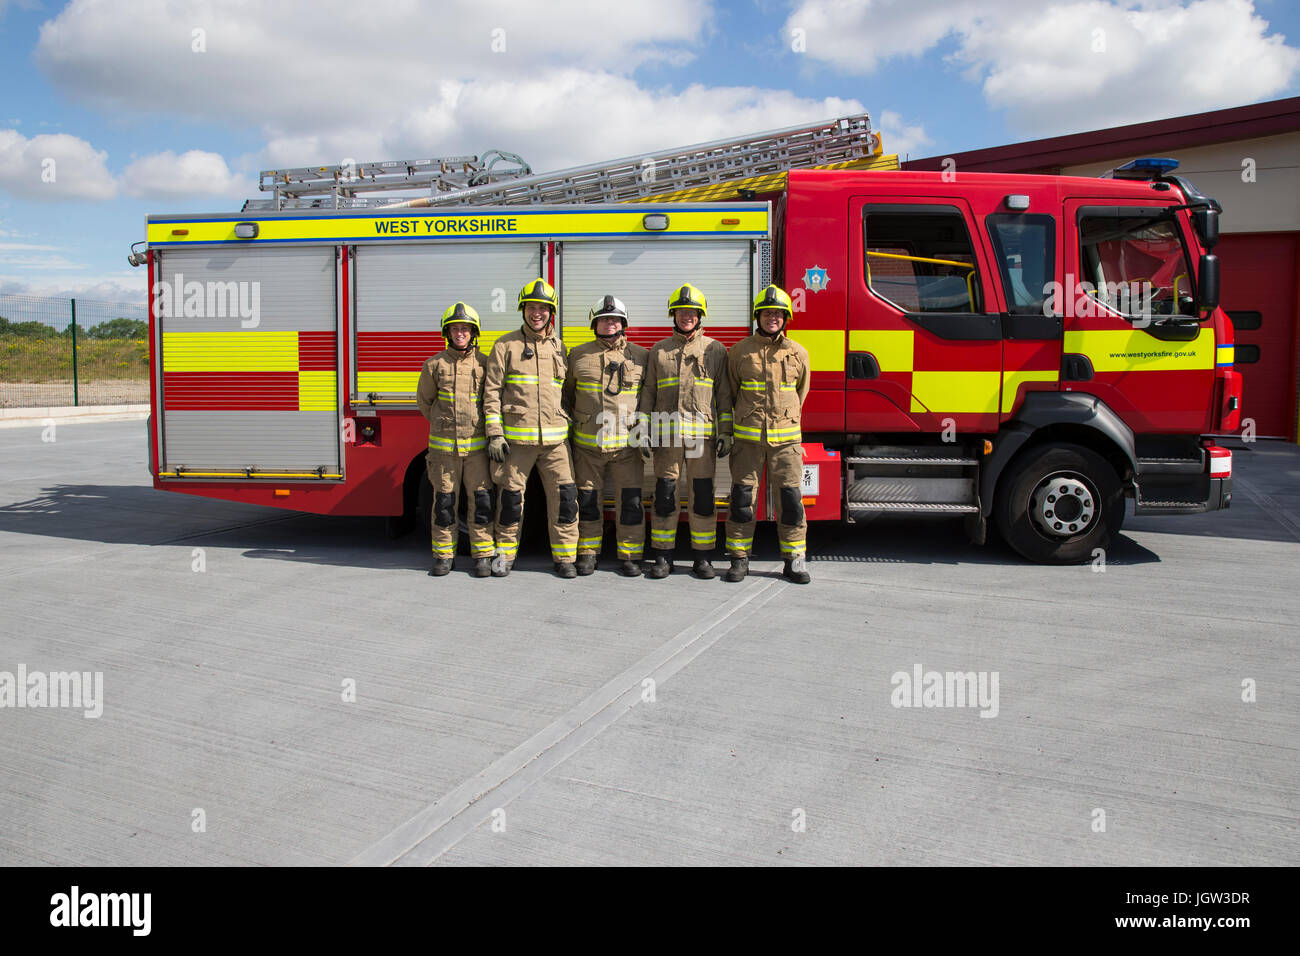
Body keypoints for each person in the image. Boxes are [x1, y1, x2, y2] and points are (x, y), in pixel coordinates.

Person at [482, 278, 580, 578]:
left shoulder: (560, 348)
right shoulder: (505, 345)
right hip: (516, 443)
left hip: (555, 442)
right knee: (510, 501)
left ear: (551, 312)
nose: (537, 313)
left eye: (543, 308)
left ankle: (565, 559)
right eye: (531, 307)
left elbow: (570, 393)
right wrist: (495, 434)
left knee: (565, 500)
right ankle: (504, 556)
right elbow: (491, 393)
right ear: (523, 310)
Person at [637, 283, 733, 579]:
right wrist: (643, 427)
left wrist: (726, 431)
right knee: (665, 496)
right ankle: (663, 558)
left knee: (702, 497)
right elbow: (649, 392)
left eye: (692, 312)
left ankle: (702, 558)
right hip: (667, 437)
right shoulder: (659, 350)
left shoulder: (715, 350)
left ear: (700, 315)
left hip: (701, 437)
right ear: (673, 315)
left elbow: (724, 395)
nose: (686, 316)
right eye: (681, 312)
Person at [724, 285, 812, 584]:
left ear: (785, 317)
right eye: (767, 313)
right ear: (757, 316)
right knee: (742, 500)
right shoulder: (739, 351)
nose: (772, 318)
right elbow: (731, 393)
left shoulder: (798, 352)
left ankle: (794, 560)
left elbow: (801, 392)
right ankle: (738, 559)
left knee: (791, 501)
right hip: (748, 441)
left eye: (777, 314)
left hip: (786, 442)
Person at [563, 295, 650, 577]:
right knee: (587, 502)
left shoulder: (640, 356)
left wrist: (644, 429)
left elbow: (648, 397)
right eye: (603, 319)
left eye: (614, 319)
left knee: (631, 503)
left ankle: (630, 555)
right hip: (588, 446)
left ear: (623, 323)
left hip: (627, 446)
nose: (609, 323)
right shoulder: (577, 354)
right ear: (594, 324)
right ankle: (588, 553)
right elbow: (566, 397)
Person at [415, 302, 495, 577]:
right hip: (444, 452)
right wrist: (444, 426)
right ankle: (443, 556)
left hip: (477, 451)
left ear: (474, 333)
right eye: (454, 329)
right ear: (446, 333)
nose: (460, 333)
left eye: (465, 329)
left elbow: (492, 401)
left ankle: (483, 555)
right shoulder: (434, 365)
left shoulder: (486, 365)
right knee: (445, 504)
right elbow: (425, 403)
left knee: (482, 503)